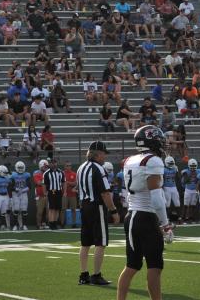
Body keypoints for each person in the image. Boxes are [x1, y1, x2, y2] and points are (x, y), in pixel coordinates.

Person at [116, 125, 173, 300]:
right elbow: (156, 197)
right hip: (146, 216)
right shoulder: (153, 161)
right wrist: (165, 224)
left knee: (132, 266)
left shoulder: (130, 160)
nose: (163, 143)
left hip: (132, 214)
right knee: (154, 266)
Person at [77, 140, 120, 287]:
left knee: (85, 243)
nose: (105, 157)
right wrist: (113, 210)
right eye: (104, 154)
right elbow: (105, 193)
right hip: (97, 207)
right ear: (98, 154)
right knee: (100, 243)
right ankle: (96, 275)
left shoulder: (81, 168)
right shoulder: (98, 169)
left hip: (84, 206)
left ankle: (83, 275)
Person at [43, 158, 66, 230]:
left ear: (56, 163)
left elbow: (64, 182)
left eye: (55, 163)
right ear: (50, 164)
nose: (54, 164)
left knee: (57, 208)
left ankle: (55, 223)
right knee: (52, 208)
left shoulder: (61, 172)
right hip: (51, 191)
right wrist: (45, 192)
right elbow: (44, 184)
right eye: (52, 163)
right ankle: (51, 223)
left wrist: (65, 191)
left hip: (59, 191)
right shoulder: (46, 173)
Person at [10, 161, 32, 231]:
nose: (20, 169)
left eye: (21, 167)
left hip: (23, 193)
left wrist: (22, 190)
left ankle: (24, 225)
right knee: (16, 209)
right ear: (16, 167)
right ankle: (15, 225)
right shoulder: (13, 175)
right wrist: (16, 189)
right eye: (19, 167)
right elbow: (11, 186)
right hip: (15, 194)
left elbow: (29, 186)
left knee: (24, 210)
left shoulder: (27, 175)